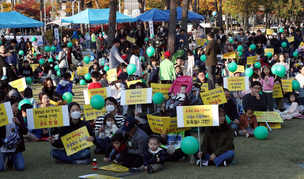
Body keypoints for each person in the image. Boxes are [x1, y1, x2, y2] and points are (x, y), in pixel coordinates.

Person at [0, 99, 28, 172]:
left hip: (16, 147)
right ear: (9, 106)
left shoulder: (19, 117)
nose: (17, 108)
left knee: (21, 167)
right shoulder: (2, 118)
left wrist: (19, 123)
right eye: (15, 106)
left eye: (18, 106)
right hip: (2, 147)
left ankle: (11, 158)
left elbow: (25, 132)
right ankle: (8, 157)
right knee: (0, 168)